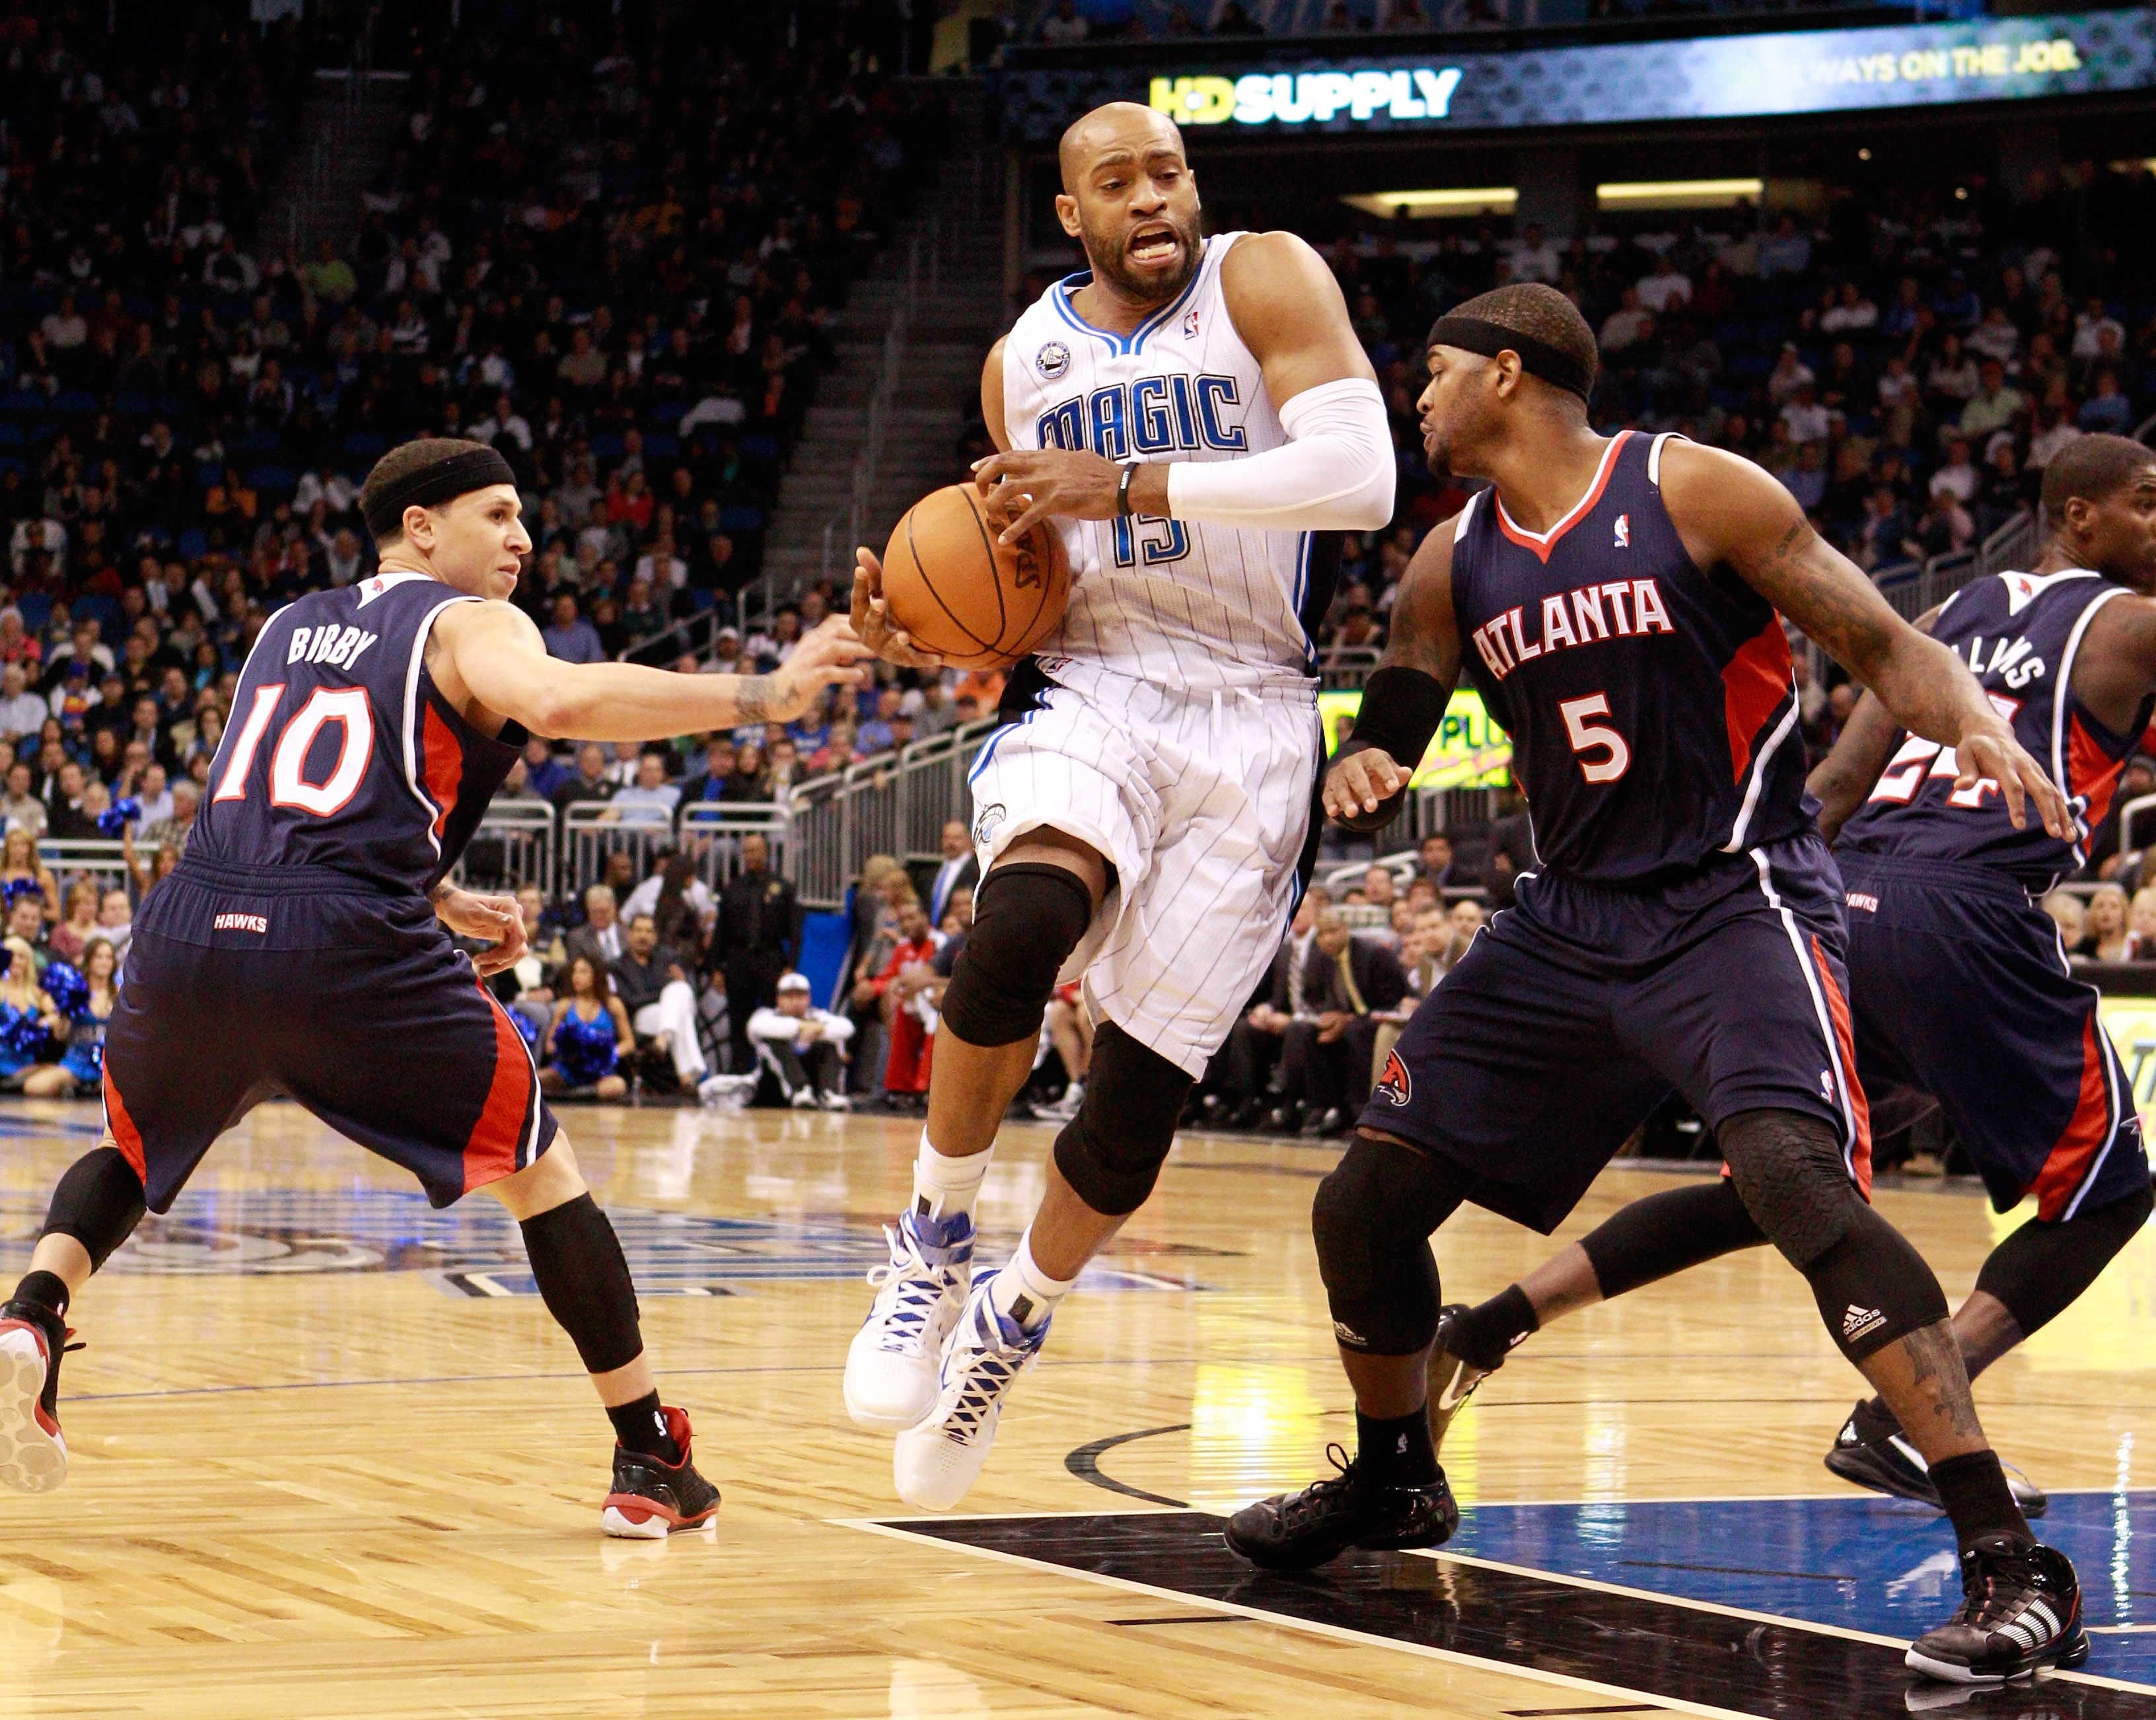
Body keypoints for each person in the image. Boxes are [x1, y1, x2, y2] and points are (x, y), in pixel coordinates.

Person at [1218, 286, 2087, 1685]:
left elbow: (1879, 643)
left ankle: (2011, 1562)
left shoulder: (1692, 487)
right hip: (1564, 922)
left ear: (1509, 372)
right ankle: (1391, 1473)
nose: (1416, 400)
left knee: (1795, 1183)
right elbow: (1406, 690)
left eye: (1433, 375)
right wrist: (1371, 761)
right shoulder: (1450, 557)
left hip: (1734, 898)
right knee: (1364, 1198)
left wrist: (1976, 724)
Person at [0, 437, 871, 1533]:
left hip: (192, 926)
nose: (521, 538)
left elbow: (280, 801)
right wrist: (767, 692)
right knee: (540, 1175)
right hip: (341, 942)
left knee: (134, 1145)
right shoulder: (464, 622)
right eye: (497, 513)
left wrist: (440, 895)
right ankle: (649, 1457)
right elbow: (555, 700)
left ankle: (32, 1310)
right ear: (421, 527)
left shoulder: (281, 628)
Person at [1425, 435, 2156, 1563]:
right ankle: (1905, 1411)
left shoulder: (1953, 615)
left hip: (1841, 889)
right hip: (1966, 908)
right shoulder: (2122, 620)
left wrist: (1770, 922)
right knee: (2108, 1187)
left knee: (1779, 1187)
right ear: (2077, 518)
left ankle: (1486, 1322)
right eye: (2145, 506)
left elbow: (1834, 778)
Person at [842, 100, 1396, 1509]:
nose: (1150, 197)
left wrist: (1129, 475)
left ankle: (1007, 1327)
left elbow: (1365, 479)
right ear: (1072, 217)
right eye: (1115, 183)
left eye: (1167, 172)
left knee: (1131, 1111)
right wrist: (936, 624)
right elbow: (1027, 586)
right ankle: (931, 1240)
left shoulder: (1262, 274)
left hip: (1259, 709)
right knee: (1017, 929)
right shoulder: (1020, 360)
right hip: (1099, 686)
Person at [713, 832, 798, 1074]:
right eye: (746, 851)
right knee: (738, 1019)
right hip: (738, 960)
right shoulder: (733, 888)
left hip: (770, 959)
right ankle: (739, 1072)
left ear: (766, 853)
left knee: (775, 1017)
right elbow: (722, 930)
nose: (750, 856)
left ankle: (775, 1073)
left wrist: (790, 965)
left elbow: (794, 932)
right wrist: (717, 967)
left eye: (755, 851)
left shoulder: (783, 887)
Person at [610, 912, 708, 1090]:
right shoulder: (618, 966)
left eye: (648, 932)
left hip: (670, 1012)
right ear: (629, 935)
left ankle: (663, 1041)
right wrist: (664, 991)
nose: (643, 936)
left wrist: (677, 986)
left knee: (681, 989)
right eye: (639, 931)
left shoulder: (669, 958)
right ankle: (687, 1076)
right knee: (679, 1007)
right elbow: (630, 1001)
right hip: (642, 1017)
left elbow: (691, 991)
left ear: (655, 937)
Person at [748, 970, 854, 1109]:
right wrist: (802, 1027)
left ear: (809, 998)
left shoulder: (818, 1016)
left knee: (831, 1042)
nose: (795, 1002)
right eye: (789, 997)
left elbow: (847, 1028)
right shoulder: (766, 1015)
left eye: (800, 996)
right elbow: (756, 1028)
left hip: (812, 1086)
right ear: (779, 1000)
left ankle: (829, 1093)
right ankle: (799, 1090)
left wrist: (820, 1029)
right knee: (773, 1040)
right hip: (773, 1089)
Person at [544, 955, 634, 1102]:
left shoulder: (613, 1004)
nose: (576, 977)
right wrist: (567, 1051)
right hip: (568, 1070)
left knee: (618, 1085)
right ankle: (572, 1092)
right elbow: (549, 1045)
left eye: (583, 972)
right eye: (575, 972)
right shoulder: (565, 1005)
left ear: (597, 975)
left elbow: (629, 1042)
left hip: (601, 1073)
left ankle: (577, 1094)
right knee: (535, 1078)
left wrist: (607, 1054)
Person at [925, 820, 979, 927]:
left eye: (957, 838)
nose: (951, 843)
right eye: (947, 838)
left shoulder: (976, 869)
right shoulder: (934, 871)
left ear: (968, 840)